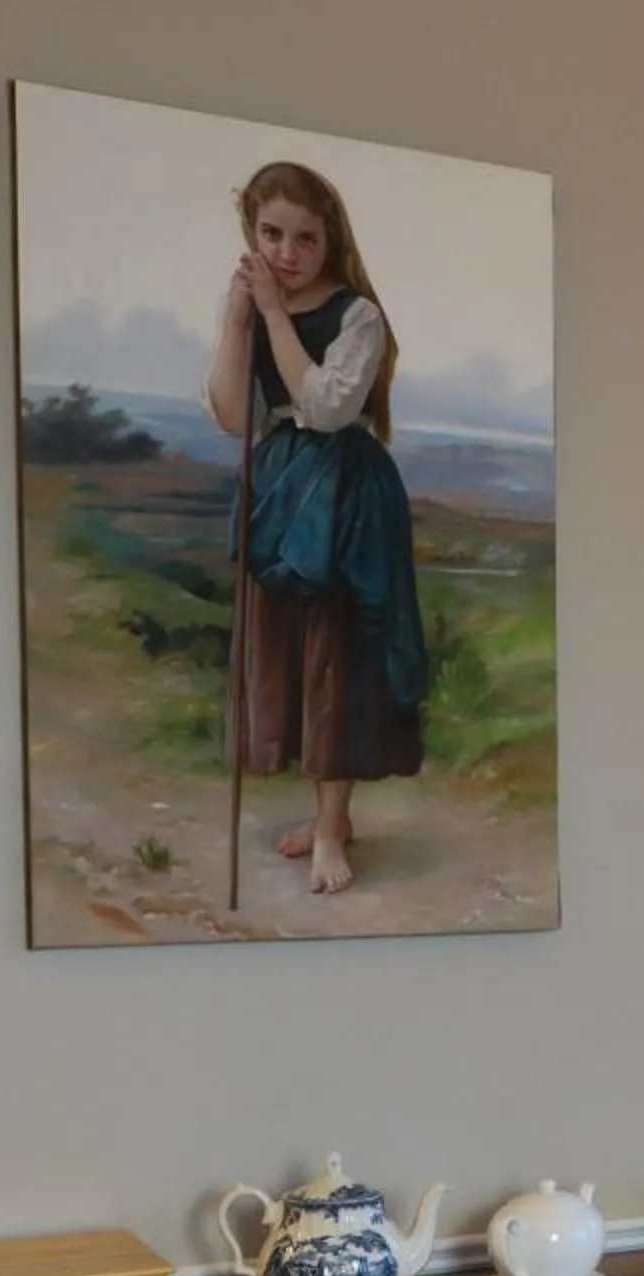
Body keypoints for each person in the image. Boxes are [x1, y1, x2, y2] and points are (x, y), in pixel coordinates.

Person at [203, 161, 431, 896]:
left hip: (344, 496)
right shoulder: (251, 302)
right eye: (271, 234)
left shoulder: (358, 315)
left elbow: (329, 408)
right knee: (290, 650)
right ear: (251, 234)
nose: (287, 253)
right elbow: (234, 414)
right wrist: (239, 320)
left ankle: (334, 827)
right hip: (280, 487)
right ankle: (324, 813)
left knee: (339, 655)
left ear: (330, 240)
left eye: (305, 238)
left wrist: (273, 317)